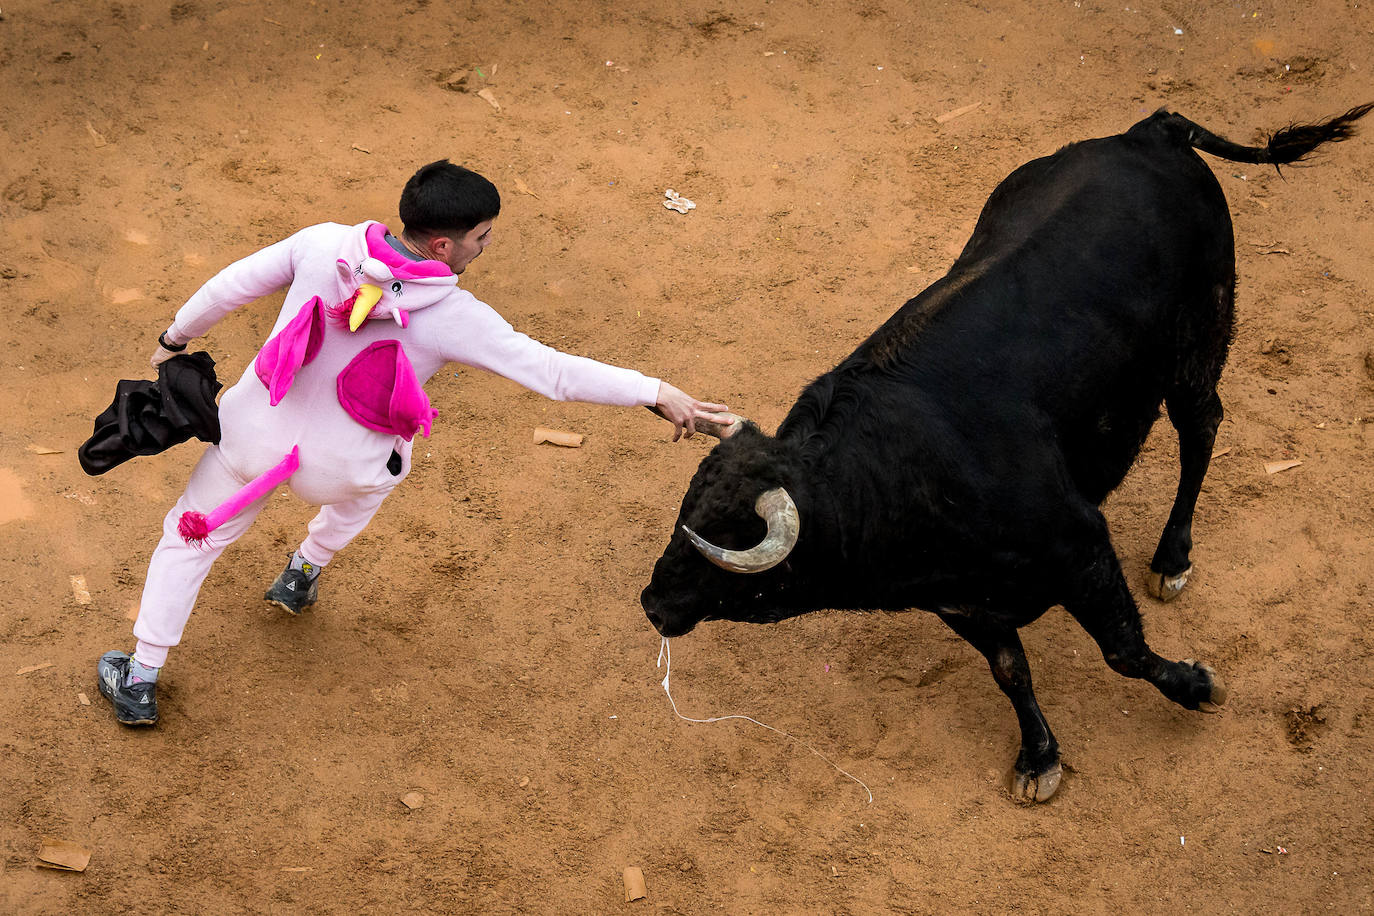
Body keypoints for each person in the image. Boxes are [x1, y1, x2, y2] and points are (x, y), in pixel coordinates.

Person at [96, 160, 729, 727]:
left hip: (250, 436)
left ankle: (142, 678)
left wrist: (174, 338)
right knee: (383, 471)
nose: (485, 248)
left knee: (189, 537)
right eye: (482, 237)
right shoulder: (456, 316)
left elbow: (231, 285)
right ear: (442, 242)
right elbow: (555, 374)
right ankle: (304, 570)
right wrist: (655, 390)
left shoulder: (321, 244)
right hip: (343, 467)